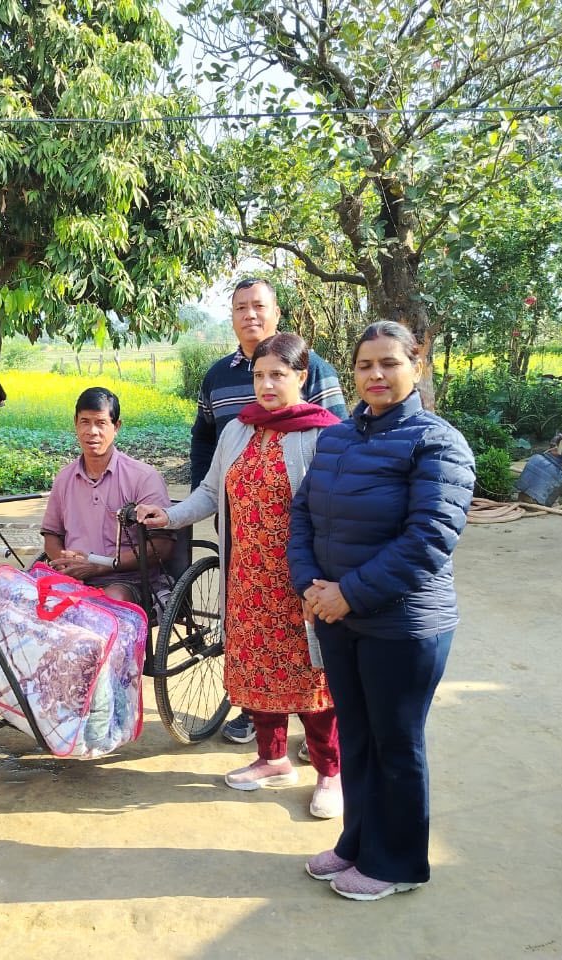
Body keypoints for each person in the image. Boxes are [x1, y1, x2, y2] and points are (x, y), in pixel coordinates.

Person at [290, 320, 475, 901]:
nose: (376, 374)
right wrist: (309, 586)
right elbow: (303, 514)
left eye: (390, 363)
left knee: (396, 743)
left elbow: (429, 538)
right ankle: (357, 844)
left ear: (416, 367)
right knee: (358, 737)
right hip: (338, 618)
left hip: (403, 623)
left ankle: (396, 863)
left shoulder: (437, 443)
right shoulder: (338, 438)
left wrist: (348, 593)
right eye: (365, 364)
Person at [138, 333, 343, 817]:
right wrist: (169, 516)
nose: (266, 385)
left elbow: (338, 513)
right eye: (258, 375)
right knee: (256, 668)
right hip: (248, 577)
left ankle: (330, 773)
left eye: (278, 375)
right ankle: (272, 759)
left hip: (301, 582)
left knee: (313, 678)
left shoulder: (325, 435)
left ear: (302, 376)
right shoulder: (237, 430)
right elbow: (211, 493)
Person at [191, 276, 348, 746]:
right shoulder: (220, 382)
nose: (250, 315)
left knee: (309, 652)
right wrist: (205, 500)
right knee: (256, 647)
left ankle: (324, 754)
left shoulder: (315, 378)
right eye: (240, 307)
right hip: (246, 548)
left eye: (259, 306)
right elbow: (205, 443)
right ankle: (266, 744)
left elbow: (342, 458)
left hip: (302, 557)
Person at [40, 387, 174, 609]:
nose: (92, 431)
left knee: (109, 600)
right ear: (75, 423)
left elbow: (161, 546)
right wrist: (64, 560)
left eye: (101, 423)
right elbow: (52, 535)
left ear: (116, 426)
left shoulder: (143, 477)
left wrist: (101, 566)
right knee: (2, 587)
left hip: (127, 580)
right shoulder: (64, 478)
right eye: (85, 422)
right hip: (73, 578)